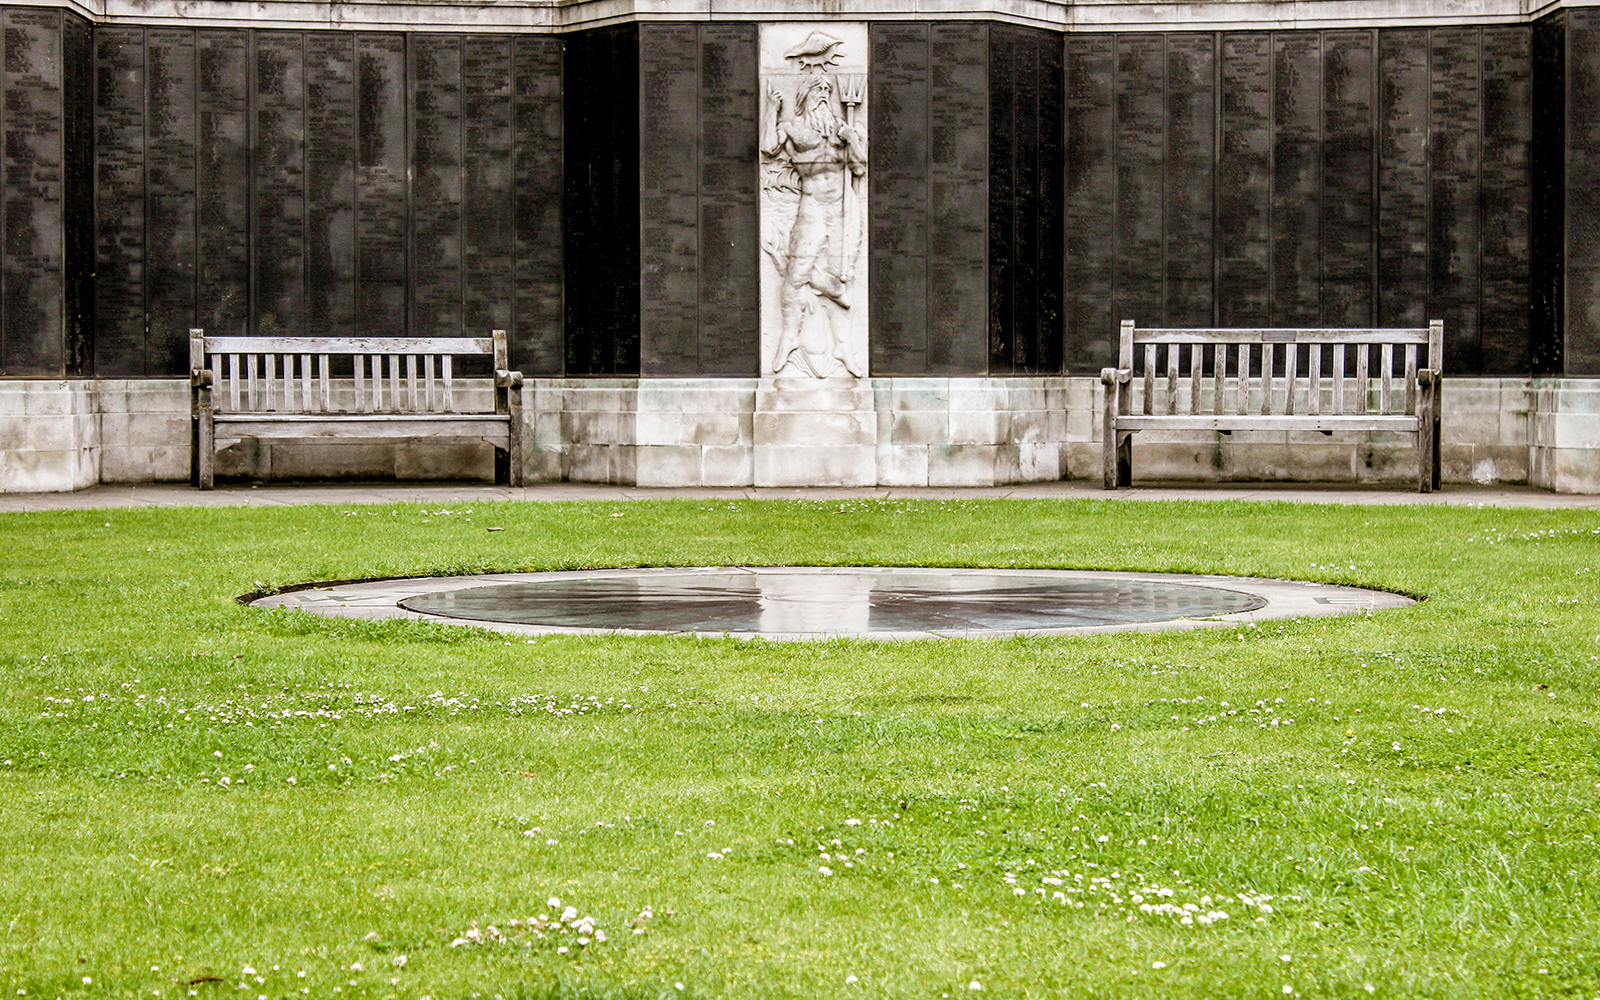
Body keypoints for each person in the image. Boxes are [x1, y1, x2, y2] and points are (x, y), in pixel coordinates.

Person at [760, 73, 866, 377]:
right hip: (813, 206)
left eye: (826, 89)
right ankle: (789, 338)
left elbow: (858, 167)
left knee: (846, 274)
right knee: (795, 276)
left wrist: (852, 139)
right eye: (817, 89)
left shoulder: (842, 128)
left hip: (844, 208)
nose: (823, 94)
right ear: (805, 95)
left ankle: (843, 347)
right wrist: (771, 108)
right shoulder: (792, 128)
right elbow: (768, 147)